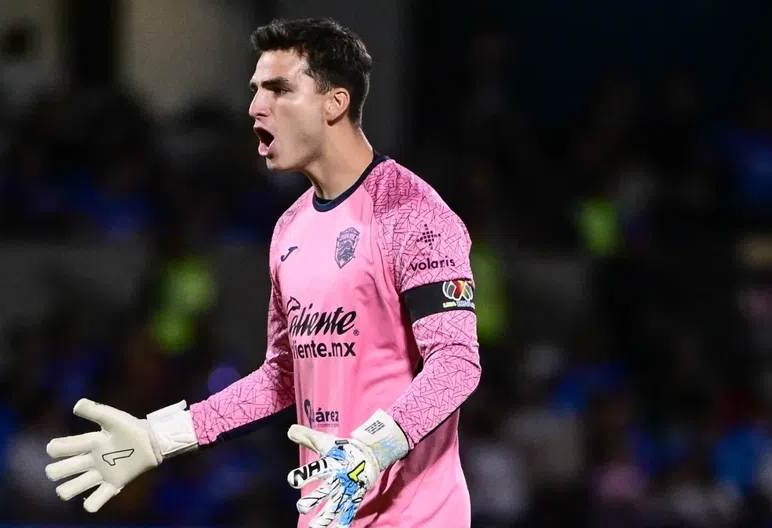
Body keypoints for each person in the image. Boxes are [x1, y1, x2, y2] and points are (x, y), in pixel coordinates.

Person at [44, 18, 481, 528]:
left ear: (334, 103)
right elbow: (281, 378)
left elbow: (456, 364)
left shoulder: (411, 211)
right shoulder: (290, 229)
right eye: (255, 90)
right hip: (328, 514)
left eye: (279, 89)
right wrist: (161, 436)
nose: (255, 106)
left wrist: (372, 448)